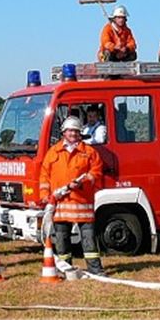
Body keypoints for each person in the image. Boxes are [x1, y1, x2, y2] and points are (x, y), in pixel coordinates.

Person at [40, 117, 106, 275]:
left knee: (88, 239)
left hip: (82, 203)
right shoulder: (53, 152)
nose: (73, 134)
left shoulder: (89, 152)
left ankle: (95, 270)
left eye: (76, 131)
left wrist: (83, 182)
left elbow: (97, 173)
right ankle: (64, 269)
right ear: (64, 132)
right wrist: (45, 195)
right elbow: (44, 176)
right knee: (62, 240)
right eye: (70, 131)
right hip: (61, 204)